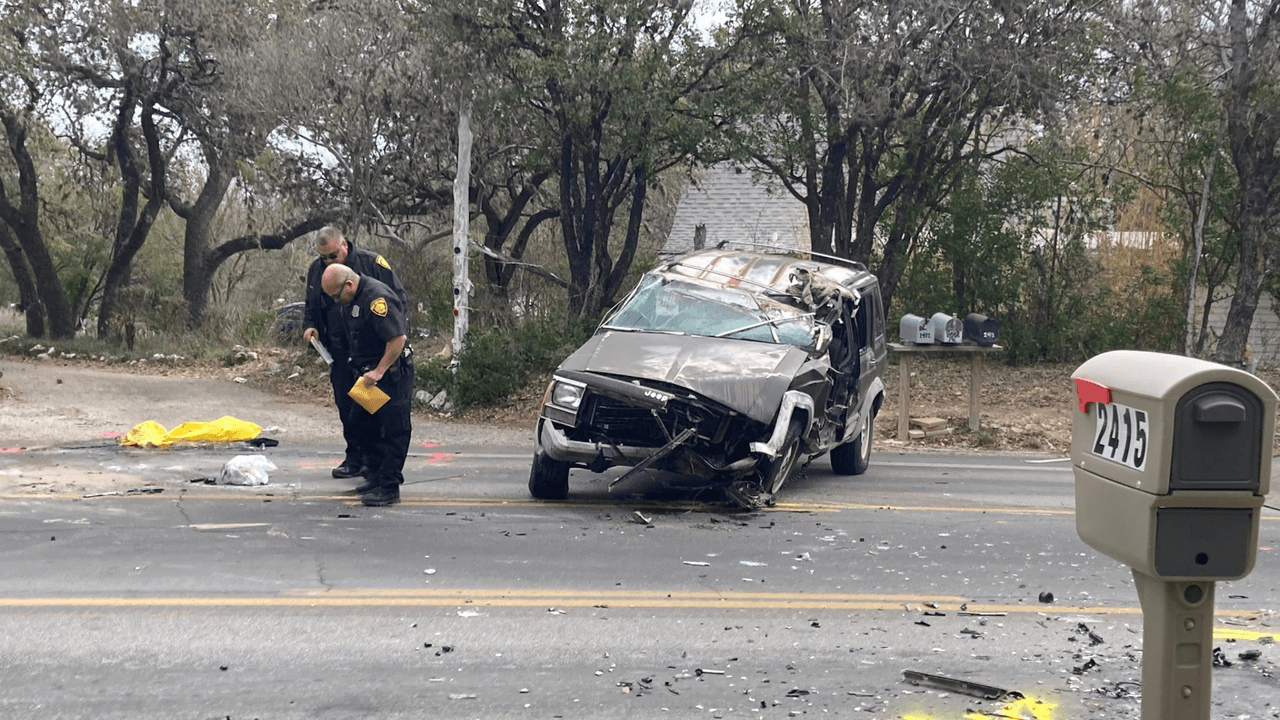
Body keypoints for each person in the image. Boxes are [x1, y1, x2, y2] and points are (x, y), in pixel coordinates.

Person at [302, 227, 406, 483]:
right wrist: (309, 326)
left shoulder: (371, 264)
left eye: (333, 255)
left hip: (370, 355)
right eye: (323, 257)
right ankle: (356, 457)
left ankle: (378, 468)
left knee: (376, 411)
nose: (328, 261)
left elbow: (398, 302)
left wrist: (389, 350)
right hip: (339, 353)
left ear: (345, 246)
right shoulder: (318, 271)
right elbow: (311, 303)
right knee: (349, 409)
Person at [320, 263, 414, 506]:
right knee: (361, 424)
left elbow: (397, 338)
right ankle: (375, 475)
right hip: (366, 377)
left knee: (394, 430)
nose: (335, 301)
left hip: (389, 374)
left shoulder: (377, 299)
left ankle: (389, 487)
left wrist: (380, 370)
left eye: (336, 295)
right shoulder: (351, 299)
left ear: (348, 284)